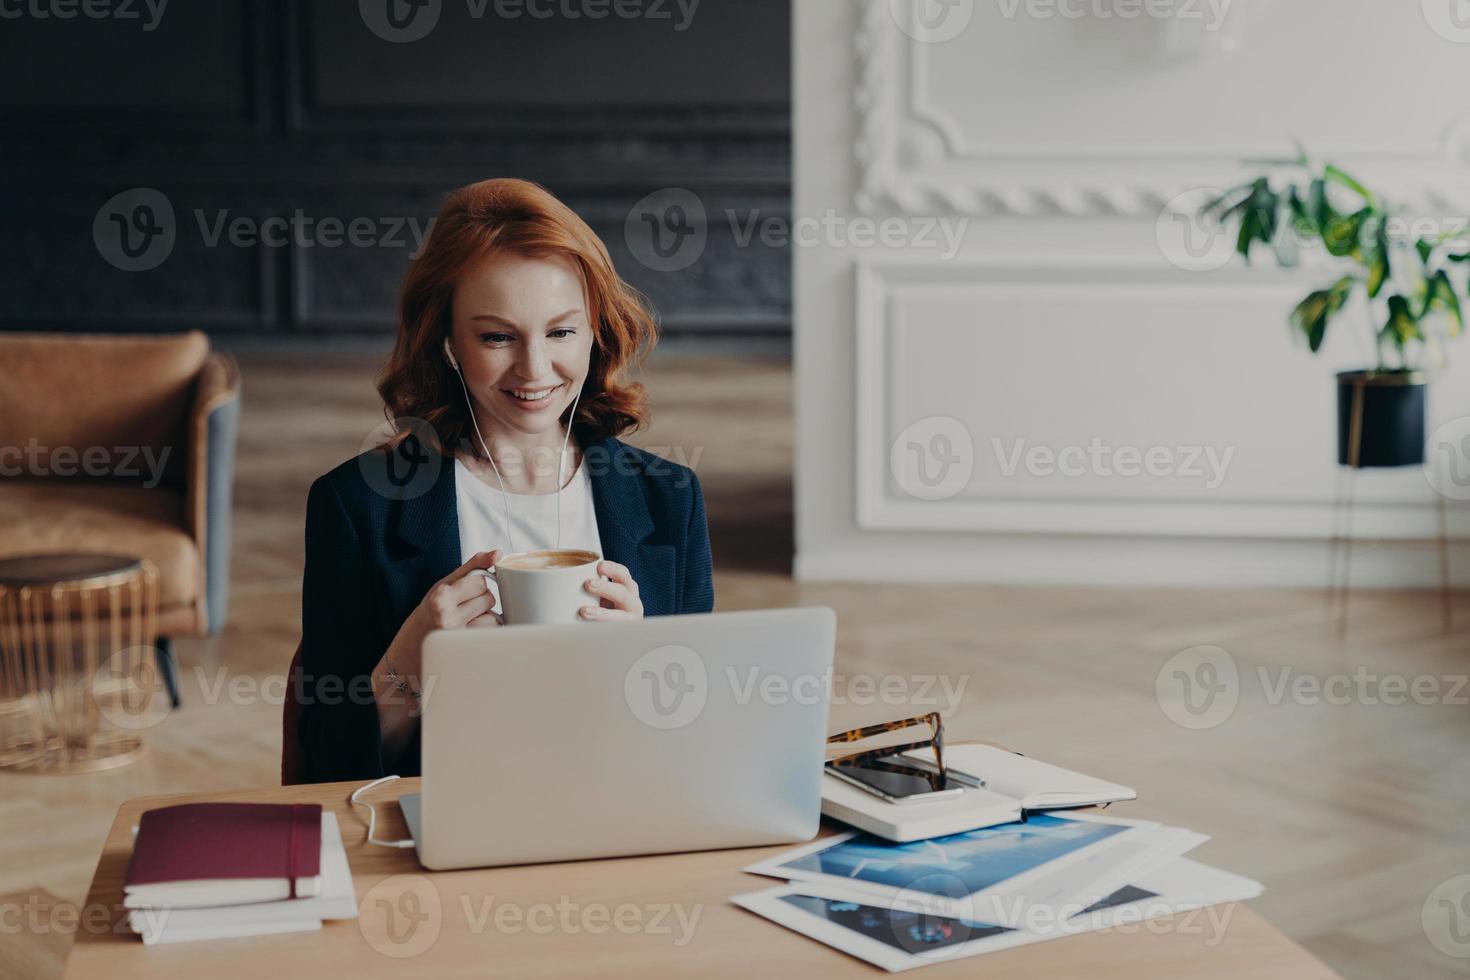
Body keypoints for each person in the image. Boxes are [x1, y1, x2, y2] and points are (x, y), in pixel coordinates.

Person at [297, 178, 713, 782]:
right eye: (497, 336)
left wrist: (645, 665)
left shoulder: (670, 498)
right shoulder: (355, 505)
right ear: (447, 343)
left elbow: (701, 743)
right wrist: (406, 669)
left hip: (621, 819)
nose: (535, 368)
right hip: (443, 838)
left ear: (595, 332)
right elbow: (326, 768)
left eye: (561, 332)